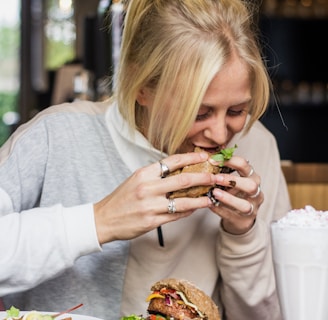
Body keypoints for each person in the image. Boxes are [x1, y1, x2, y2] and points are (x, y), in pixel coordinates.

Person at [0, 0, 291, 319]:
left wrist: (244, 234)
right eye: (200, 112)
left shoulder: (257, 145)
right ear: (142, 87)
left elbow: (273, 313)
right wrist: (98, 221)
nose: (221, 135)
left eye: (237, 110)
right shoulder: (55, 135)